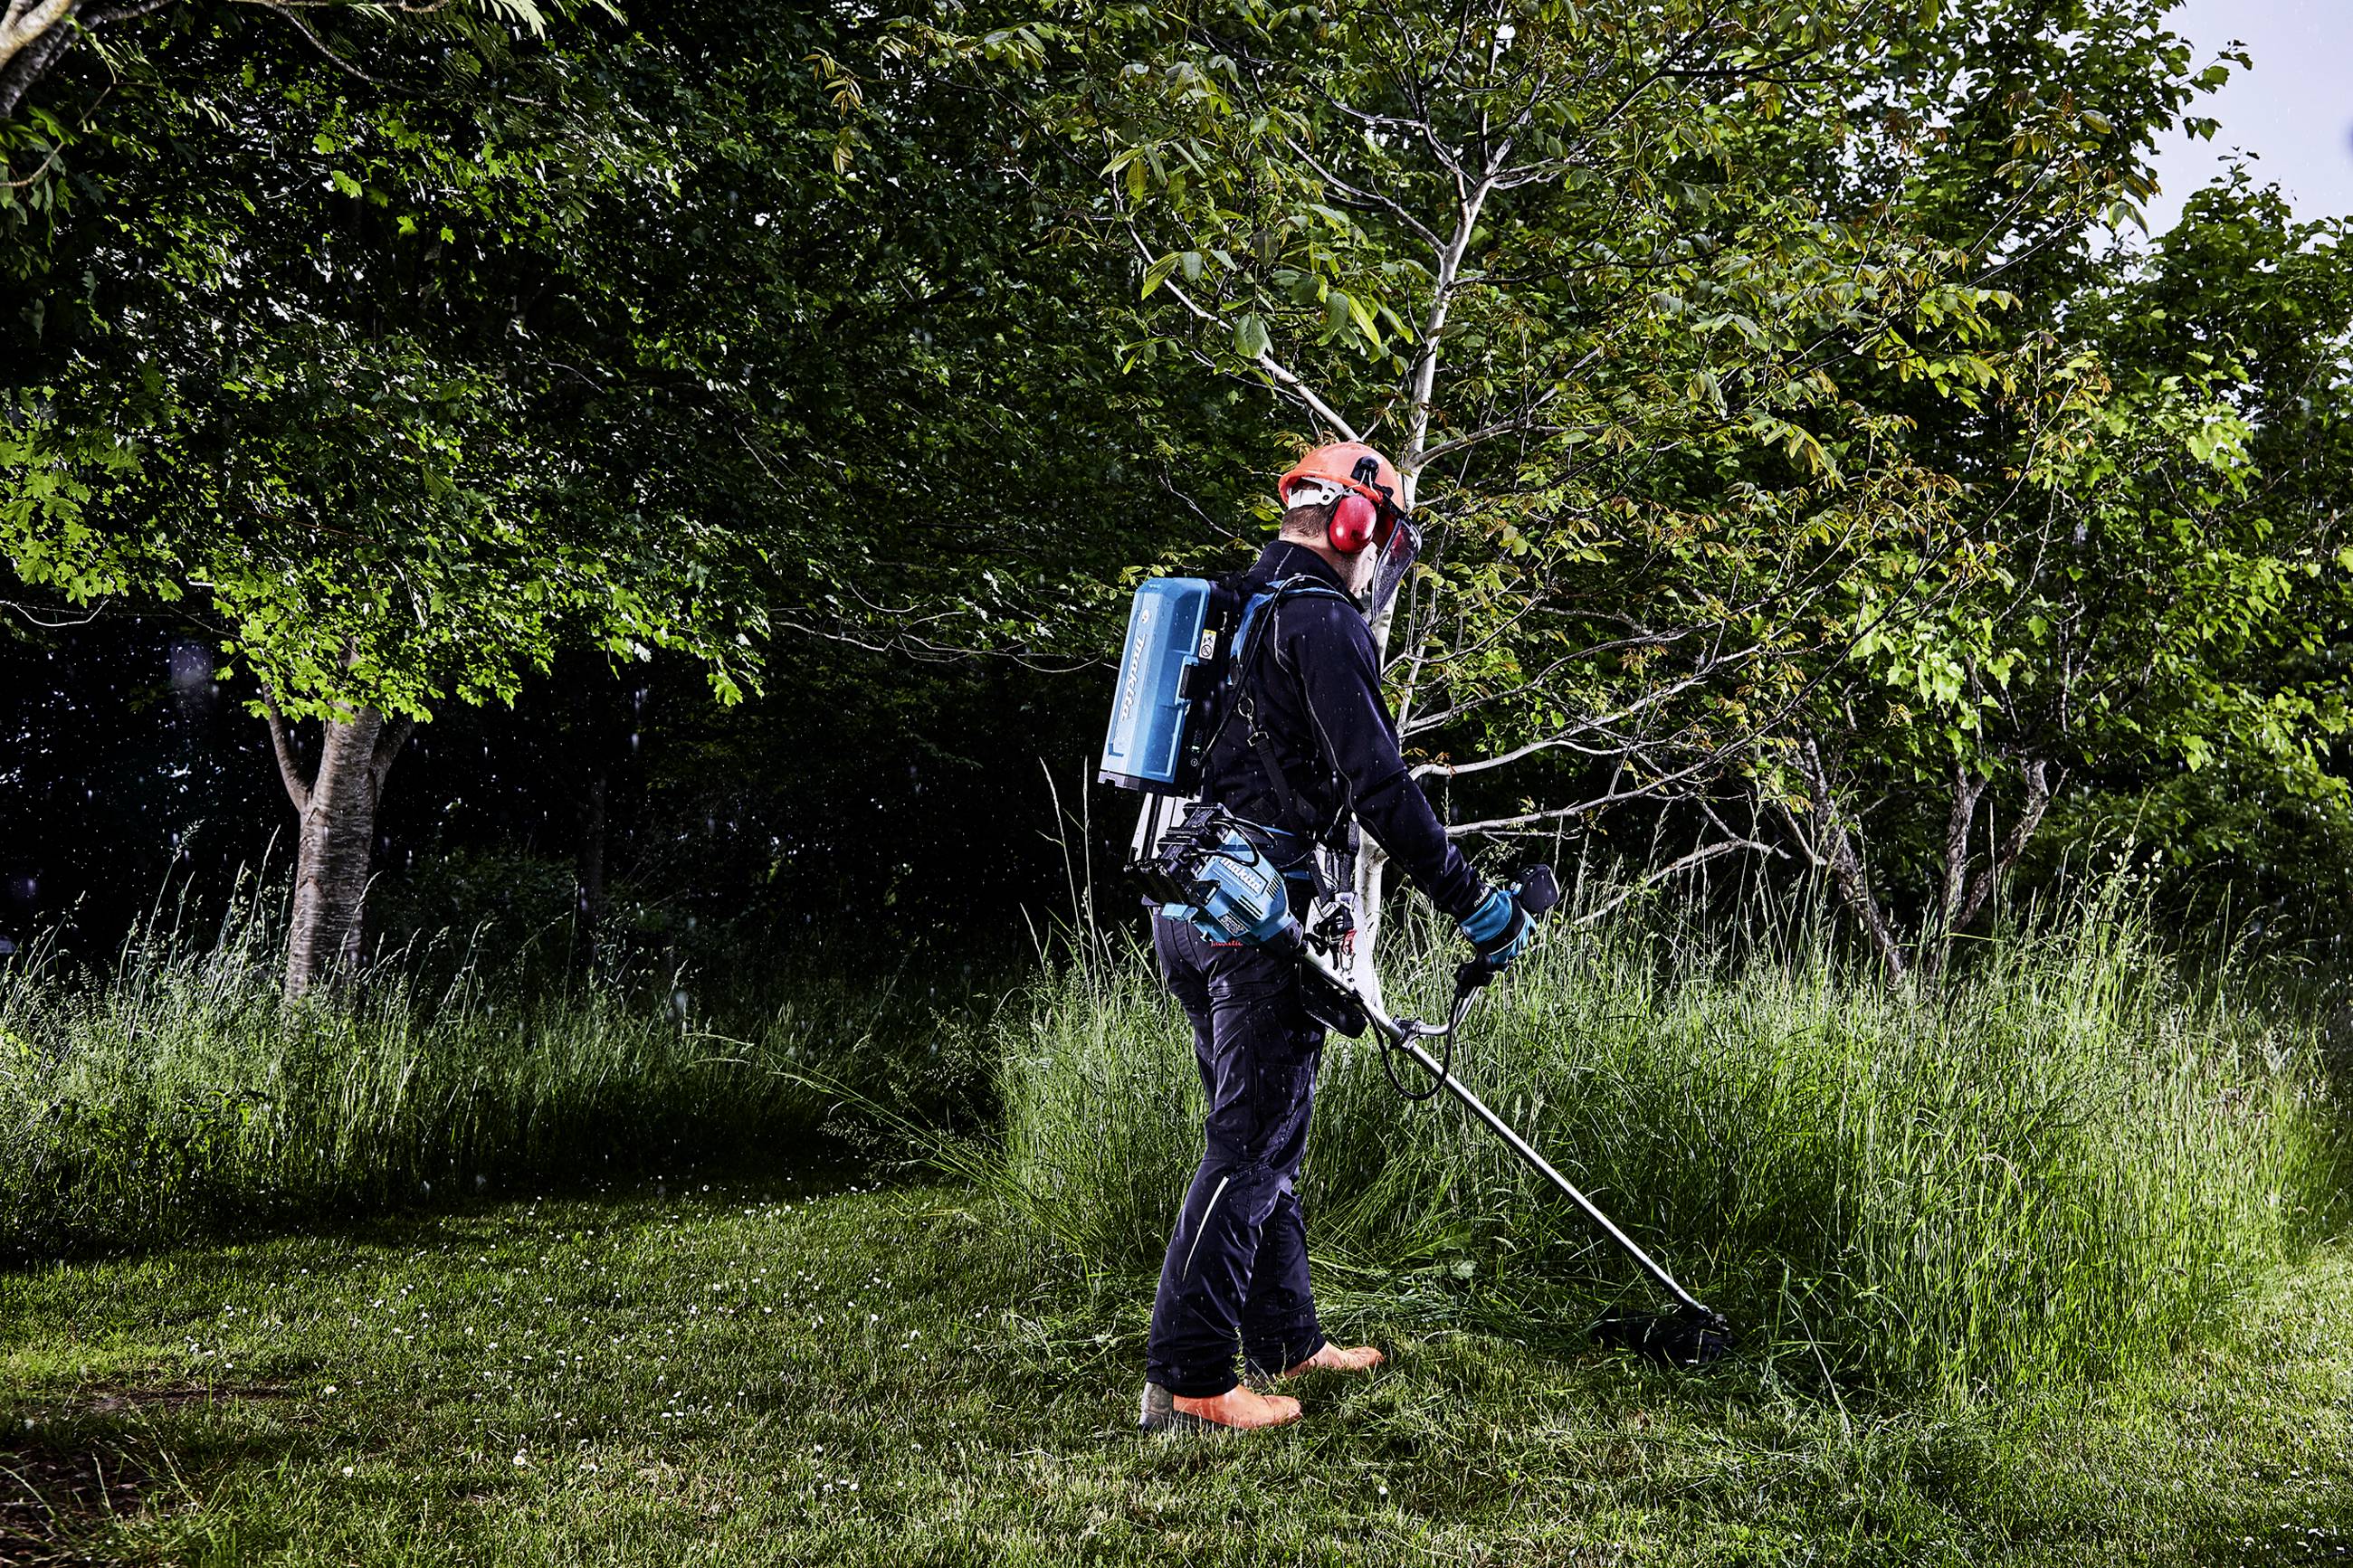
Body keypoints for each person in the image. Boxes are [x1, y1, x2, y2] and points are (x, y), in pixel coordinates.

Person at [1137, 441, 1537, 1435]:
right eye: (1384, 541)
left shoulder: (1232, 606)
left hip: (1190, 904)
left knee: (1268, 1129)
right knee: (1249, 1143)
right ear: (1356, 525)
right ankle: (1188, 1381)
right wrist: (1472, 902)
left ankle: (1287, 1337)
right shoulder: (1318, 619)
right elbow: (1380, 786)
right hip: (1251, 915)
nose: (1380, 562)